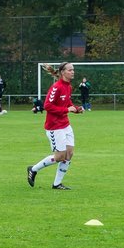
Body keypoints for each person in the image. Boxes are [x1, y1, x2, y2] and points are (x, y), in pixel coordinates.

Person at [27, 62, 83, 191]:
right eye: (70, 70)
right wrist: (66, 110)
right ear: (63, 72)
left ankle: (57, 184)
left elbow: (67, 102)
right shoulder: (56, 87)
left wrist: (76, 109)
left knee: (69, 154)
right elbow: (47, 106)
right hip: (54, 127)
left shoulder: (68, 87)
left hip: (65, 125)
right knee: (60, 157)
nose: (73, 72)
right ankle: (33, 169)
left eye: (73, 70)